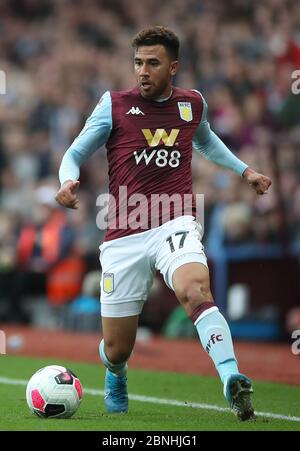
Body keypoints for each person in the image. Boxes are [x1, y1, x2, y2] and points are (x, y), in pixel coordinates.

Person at [55, 26, 272, 421]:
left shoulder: (192, 104)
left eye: (152, 63)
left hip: (175, 220)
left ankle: (231, 377)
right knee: (118, 347)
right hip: (124, 230)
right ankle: (115, 372)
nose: (142, 71)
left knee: (195, 289)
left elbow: (205, 141)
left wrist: (246, 172)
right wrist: (67, 180)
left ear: (173, 67)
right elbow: (74, 153)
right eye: (138, 62)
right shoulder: (114, 105)